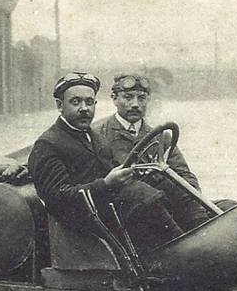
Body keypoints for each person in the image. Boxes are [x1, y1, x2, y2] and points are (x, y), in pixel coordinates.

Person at [26, 72, 187, 251]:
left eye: (89, 102)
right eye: (75, 102)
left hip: (104, 211)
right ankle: (183, 252)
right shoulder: (49, 143)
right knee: (141, 196)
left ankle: (190, 241)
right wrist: (106, 184)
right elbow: (57, 199)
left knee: (167, 188)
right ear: (59, 105)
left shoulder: (94, 137)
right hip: (81, 222)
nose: (84, 108)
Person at [93, 74, 213, 231]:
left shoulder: (161, 136)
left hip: (163, 204)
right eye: (128, 97)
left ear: (148, 100)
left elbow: (184, 174)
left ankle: (203, 231)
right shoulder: (97, 134)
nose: (135, 104)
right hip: (127, 213)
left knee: (223, 208)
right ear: (114, 99)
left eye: (141, 98)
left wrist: (196, 201)